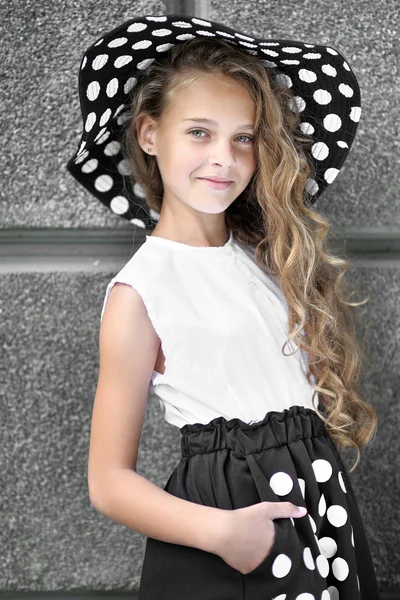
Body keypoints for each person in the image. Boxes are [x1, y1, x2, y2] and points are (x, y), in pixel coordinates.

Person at [66, 14, 381, 600]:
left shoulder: (266, 258)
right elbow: (108, 482)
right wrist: (226, 533)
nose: (225, 159)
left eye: (244, 138)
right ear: (149, 134)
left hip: (315, 508)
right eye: (199, 133)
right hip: (234, 528)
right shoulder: (143, 293)